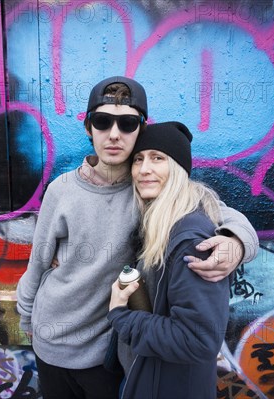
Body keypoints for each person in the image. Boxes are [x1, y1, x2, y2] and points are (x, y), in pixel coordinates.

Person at [16, 76, 257, 398]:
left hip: (108, 349)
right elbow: (39, 262)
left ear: (139, 129)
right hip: (51, 340)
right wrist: (27, 319)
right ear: (89, 128)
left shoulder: (150, 187)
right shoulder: (62, 190)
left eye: (127, 123)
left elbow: (215, 209)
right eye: (102, 122)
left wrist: (236, 241)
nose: (114, 134)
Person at [108, 121, 231, 398]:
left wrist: (121, 315)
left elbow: (197, 339)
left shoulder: (189, 238)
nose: (144, 169)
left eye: (157, 158)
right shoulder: (160, 224)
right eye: (138, 159)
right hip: (150, 379)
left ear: (178, 170)